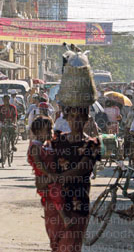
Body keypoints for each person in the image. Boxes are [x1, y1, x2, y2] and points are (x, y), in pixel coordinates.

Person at [42, 105, 100, 252]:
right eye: (72, 116)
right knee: (57, 247)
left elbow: (82, 168)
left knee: (70, 247)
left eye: (80, 117)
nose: (76, 120)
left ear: (87, 120)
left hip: (77, 205)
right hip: (55, 206)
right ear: (66, 118)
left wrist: (56, 178)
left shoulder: (92, 144)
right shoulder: (57, 141)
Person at [27, 116, 69, 226]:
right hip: (45, 178)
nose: (51, 132)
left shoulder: (47, 144)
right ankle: (65, 217)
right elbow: (39, 164)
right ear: (38, 132)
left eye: (51, 128)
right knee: (56, 193)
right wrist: (50, 175)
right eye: (47, 130)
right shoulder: (35, 146)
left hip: (53, 175)